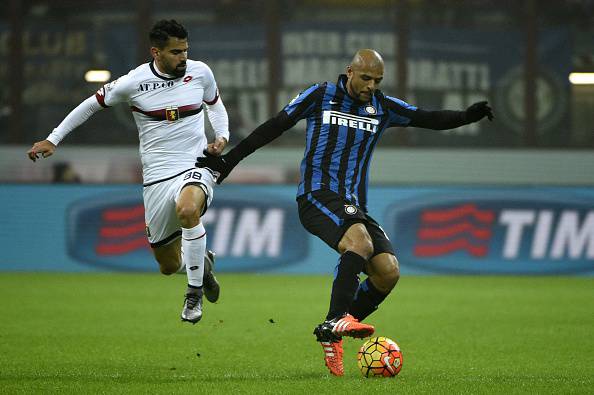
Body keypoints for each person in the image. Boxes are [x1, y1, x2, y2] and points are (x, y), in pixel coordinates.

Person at [197, 49, 494, 376]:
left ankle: (330, 331)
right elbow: (274, 127)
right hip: (317, 195)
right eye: (366, 78)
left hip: (353, 205)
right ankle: (336, 318)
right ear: (349, 71)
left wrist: (466, 116)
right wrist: (229, 162)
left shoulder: (382, 106)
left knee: (387, 271)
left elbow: (427, 118)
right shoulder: (321, 95)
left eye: (378, 80)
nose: (371, 85)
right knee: (360, 243)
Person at [27, 19, 227, 325]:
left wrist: (222, 137)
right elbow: (90, 106)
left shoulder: (200, 72)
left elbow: (215, 106)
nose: (183, 58)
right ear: (156, 52)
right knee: (168, 264)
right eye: (175, 52)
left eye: (185, 50)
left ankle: (194, 293)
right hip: (157, 177)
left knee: (188, 210)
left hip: (195, 165)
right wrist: (53, 138)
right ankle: (202, 264)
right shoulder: (133, 83)